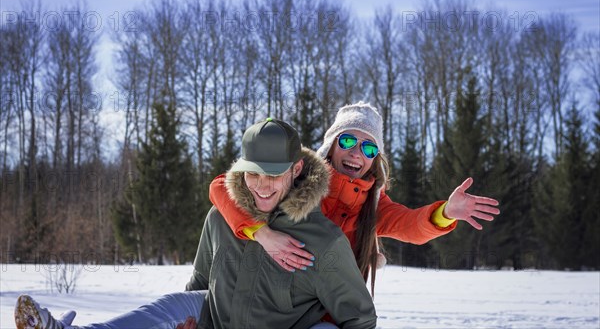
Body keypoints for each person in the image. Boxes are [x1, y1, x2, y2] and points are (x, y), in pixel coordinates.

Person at [15, 118, 377, 329]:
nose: (262, 186)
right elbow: (202, 283)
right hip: (216, 321)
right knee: (173, 305)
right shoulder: (221, 218)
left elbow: (360, 321)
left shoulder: (323, 242)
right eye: (253, 173)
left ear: (296, 170)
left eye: (274, 174)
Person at [209, 102, 501, 295]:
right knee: (214, 220)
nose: (356, 153)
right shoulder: (297, 175)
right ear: (332, 145)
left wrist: (446, 212)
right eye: (348, 141)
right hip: (272, 301)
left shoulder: (372, 204)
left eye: (368, 148)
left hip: (328, 312)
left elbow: (411, 225)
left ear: (375, 159)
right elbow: (222, 185)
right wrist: (262, 233)